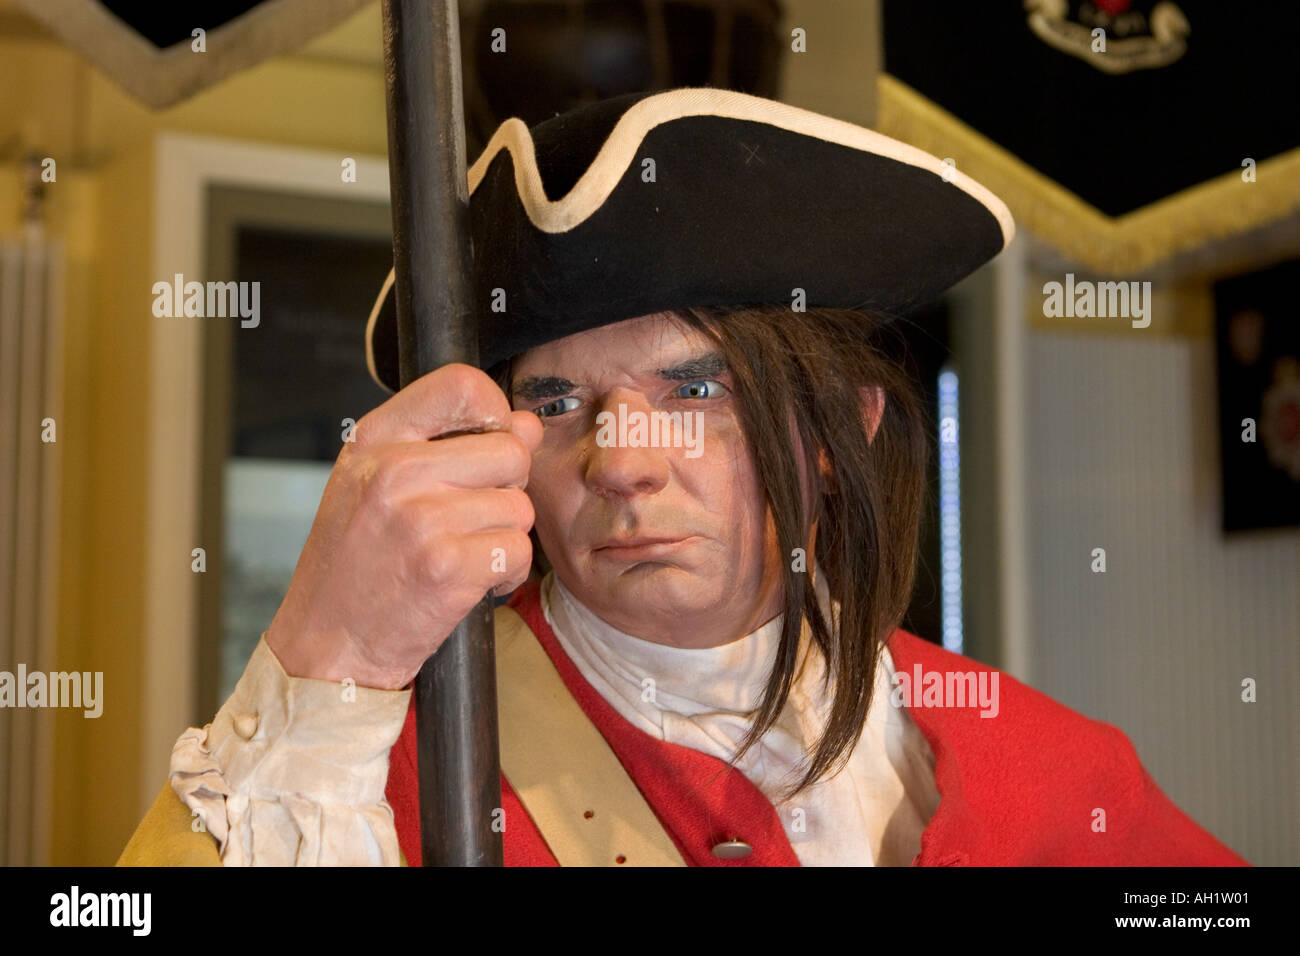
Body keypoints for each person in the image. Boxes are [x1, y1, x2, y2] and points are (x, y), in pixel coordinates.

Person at [118, 86, 1246, 867]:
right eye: (554, 403)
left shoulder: (1047, 762)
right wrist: (324, 660)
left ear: (829, 434)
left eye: (694, 390)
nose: (618, 460)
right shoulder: (359, 767)